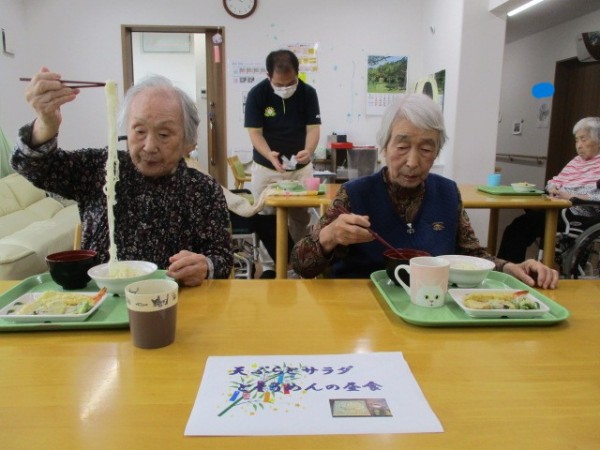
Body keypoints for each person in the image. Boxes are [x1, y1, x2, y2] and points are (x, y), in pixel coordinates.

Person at [291, 93, 559, 289]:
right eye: (402, 147)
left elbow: (470, 255)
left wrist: (509, 268)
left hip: (432, 309)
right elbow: (301, 264)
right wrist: (329, 236)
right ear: (384, 147)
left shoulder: (447, 193)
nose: (412, 162)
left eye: (426, 149)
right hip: (364, 317)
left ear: (436, 152)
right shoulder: (354, 194)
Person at [12, 68, 233, 286]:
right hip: (102, 300)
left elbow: (222, 258)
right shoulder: (103, 168)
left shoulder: (202, 188)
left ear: (187, 141)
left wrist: (205, 266)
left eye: (164, 134)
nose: (149, 146)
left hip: (174, 301)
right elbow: (35, 167)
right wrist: (46, 124)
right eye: (139, 131)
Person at [244, 49, 321, 278]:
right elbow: (255, 133)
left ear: (297, 74)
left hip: (300, 168)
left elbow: (313, 129)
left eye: (291, 82)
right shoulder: (257, 94)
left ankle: (301, 262)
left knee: (301, 216)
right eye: (279, 84)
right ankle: (270, 266)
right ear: (269, 76)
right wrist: (269, 155)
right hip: (266, 167)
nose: (285, 88)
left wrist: (309, 150)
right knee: (265, 215)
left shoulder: (308, 93)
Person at [497, 117, 600, 263]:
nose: (579, 145)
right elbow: (555, 180)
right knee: (522, 222)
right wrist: (552, 188)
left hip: (580, 213)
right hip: (558, 207)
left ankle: (508, 271)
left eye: (583, 139)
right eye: (577, 140)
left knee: (518, 228)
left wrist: (572, 196)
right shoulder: (577, 161)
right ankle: (511, 268)